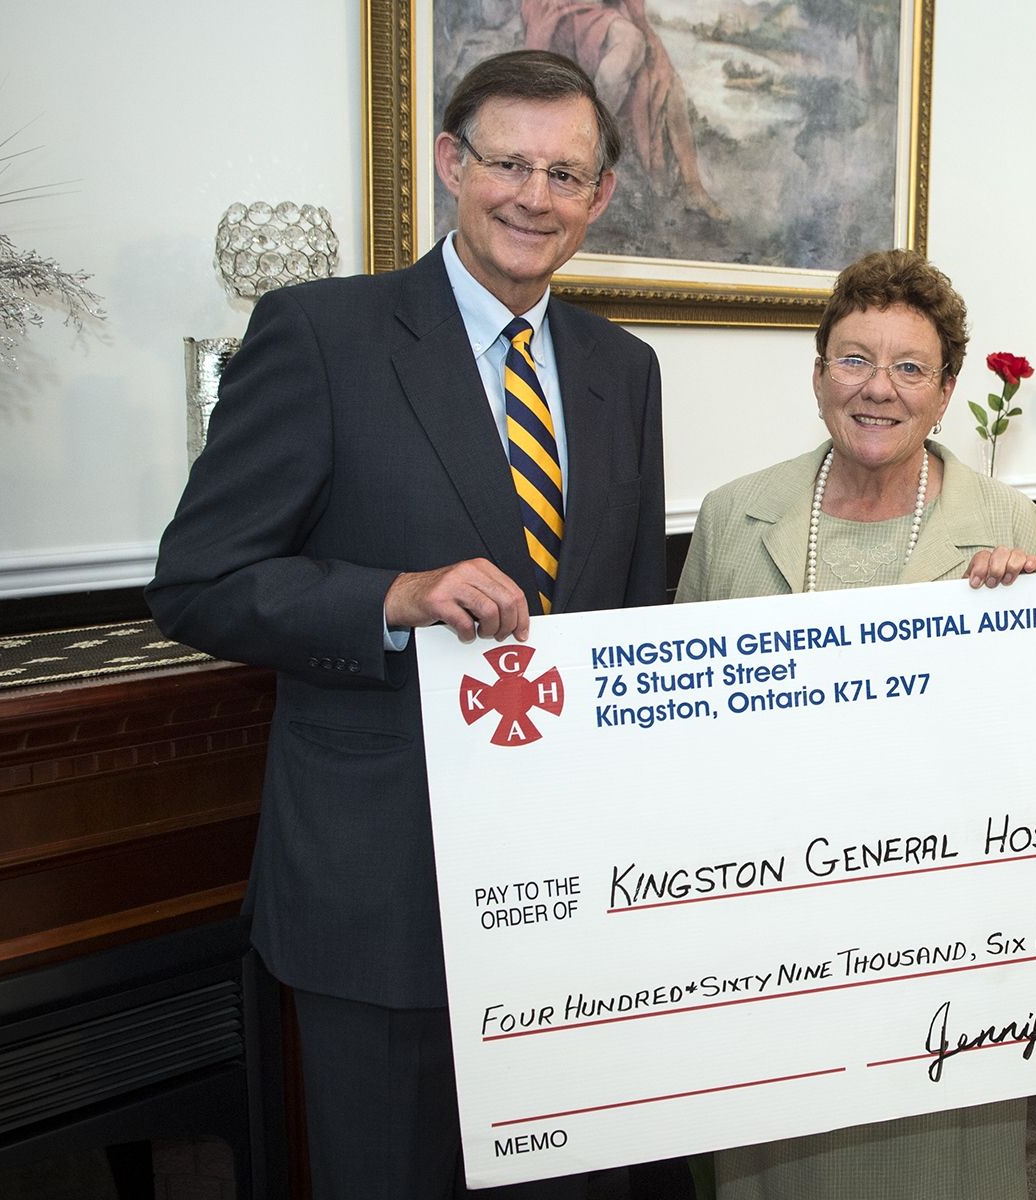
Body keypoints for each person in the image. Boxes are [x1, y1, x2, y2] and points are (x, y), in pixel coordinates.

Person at [146, 50, 665, 1200]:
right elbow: (199, 579)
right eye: (508, 162)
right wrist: (389, 597)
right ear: (449, 164)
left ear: (600, 197)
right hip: (380, 890)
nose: (534, 195)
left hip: (568, 896)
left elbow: (626, 613)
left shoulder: (623, 370)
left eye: (564, 172)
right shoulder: (321, 334)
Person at [676, 248, 1036, 1199]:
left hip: (946, 937)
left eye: (909, 368)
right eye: (852, 360)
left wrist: (1017, 622)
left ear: (946, 391)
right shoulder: (732, 519)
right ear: (816, 376)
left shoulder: (1014, 530)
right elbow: (679, 740)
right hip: (772, 923)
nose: (877, 389)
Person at [523, 0, 730, 222]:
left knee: (668, 82)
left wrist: (644, 26)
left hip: (608, 13)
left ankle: (692, 186)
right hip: (567, 9)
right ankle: (581, 147)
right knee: (630, 44)